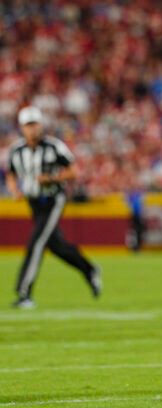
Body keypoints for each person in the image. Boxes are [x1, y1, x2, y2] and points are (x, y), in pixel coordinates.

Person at [5, 106, 101, 309]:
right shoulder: (17, 150)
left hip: (53, 200)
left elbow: (74, 171)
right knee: (56, 247)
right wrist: (14, 191)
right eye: (28, 125)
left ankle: (24, 293)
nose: (32, 129)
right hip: (34, 202)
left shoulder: (54, 147)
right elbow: (11, 173)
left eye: (35, 124)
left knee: (36, 242)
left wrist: (52, 178)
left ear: (41, 124)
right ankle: (89, 269)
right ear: (22, 128)